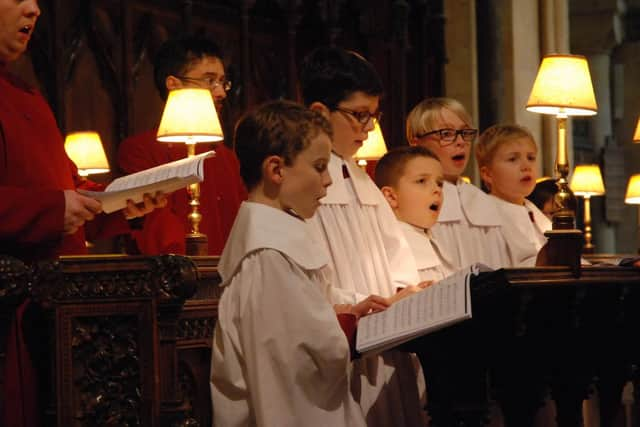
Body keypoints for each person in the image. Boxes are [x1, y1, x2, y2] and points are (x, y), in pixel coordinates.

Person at [0, 1, 164, 425]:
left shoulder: (26, 92)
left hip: (50, 305)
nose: (34, 9)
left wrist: (123, 202)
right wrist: (53, 209)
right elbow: (55, 200)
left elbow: (67, 184)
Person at [210, 100, 390, 426]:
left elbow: (304, 317)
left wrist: (350, 310)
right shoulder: (265, 257)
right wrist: (350, 327)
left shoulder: (277, 240)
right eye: (320, 166)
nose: (329, 180)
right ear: (276, 169)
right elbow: (290, 367)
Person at [301, 46, 427, 427]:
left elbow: (397, 258)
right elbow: (309, 284)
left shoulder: (362, 181)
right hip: (348, 346)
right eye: (359, 116)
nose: (369, 128)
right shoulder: (301, 184)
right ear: (319, 113)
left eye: (373, 116)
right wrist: (372, 303)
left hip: (388, 344)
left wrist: (413, 292)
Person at [118, 36, 247, 255]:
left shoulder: (226, 156)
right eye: (209, 81)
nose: (221, 93)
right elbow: (156, 225)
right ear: (173, 84)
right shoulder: (140, 151)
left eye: (223, 82)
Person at [406, 97, 512, 270]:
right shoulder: (411, 200)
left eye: (465, 133)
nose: (461, 142)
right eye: (446, 134)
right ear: (416, 141)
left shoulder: (482, 201)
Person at [476, 124, 552, 267]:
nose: (526, 166)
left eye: (531, 158)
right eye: (512, 159)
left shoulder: (533, 211)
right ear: (487, 174)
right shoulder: (486, 218)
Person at [375, 146, 454, 282]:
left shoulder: (434, 240)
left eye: (439, 183)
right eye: (422, 181)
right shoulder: (393, 250)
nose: (437, 190)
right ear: (391, 197)